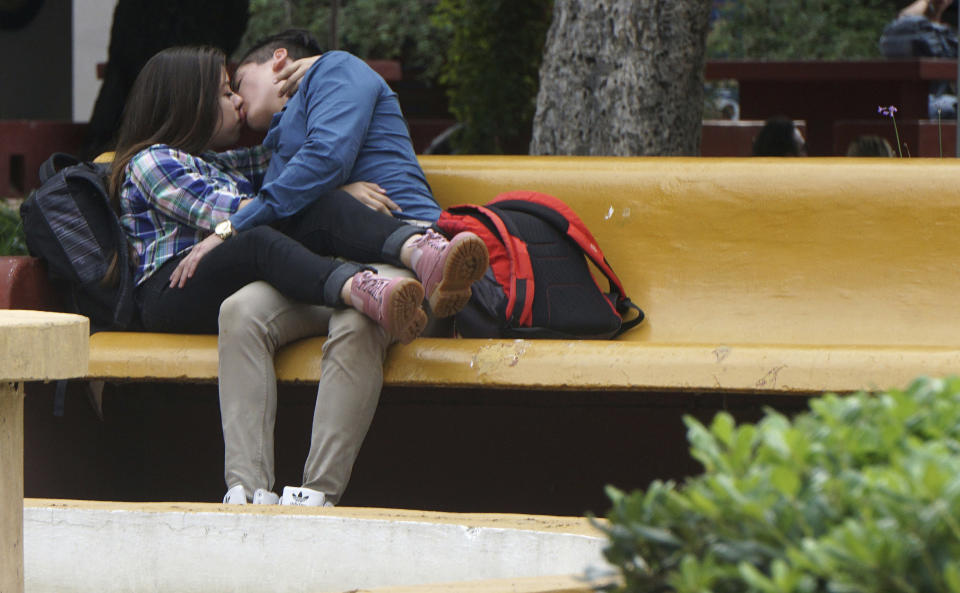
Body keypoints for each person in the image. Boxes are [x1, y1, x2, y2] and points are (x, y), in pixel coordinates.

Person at [110, 46, 488, 505]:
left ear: (280, 64)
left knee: (356, 318)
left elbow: (317, 165)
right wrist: (315, 197)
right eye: (226, 93)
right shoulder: (204, 155)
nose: (239, 105)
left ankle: (317, 493)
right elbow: (276, 199)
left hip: (396, 259)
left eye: (238, 87)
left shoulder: (340, 75)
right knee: (241, 309)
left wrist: (329, 61)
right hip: (277, 269)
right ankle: (246, 489)